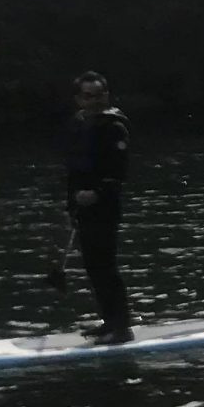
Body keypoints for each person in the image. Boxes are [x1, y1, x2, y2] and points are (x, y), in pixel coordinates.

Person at [65, 70, 133, 344]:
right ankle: (108, 322)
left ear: (106, 95)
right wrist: (71, 202)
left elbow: (118, 173)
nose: (93, 101)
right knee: (93, 266)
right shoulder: (80, 125)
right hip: (82, 207)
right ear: (79, 99)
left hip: (104, 206)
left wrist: (96, 193)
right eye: (87, 96)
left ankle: (121, 328)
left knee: (106, 266)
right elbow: (73, 171)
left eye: (98, 95)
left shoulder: (114, 127)